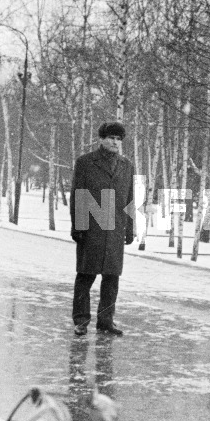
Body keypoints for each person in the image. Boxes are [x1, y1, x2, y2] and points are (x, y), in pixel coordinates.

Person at [70, 122, 137, 337]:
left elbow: (130, 199)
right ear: (101, 139)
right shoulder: (86, 162)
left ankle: (106, 321)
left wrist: (130, 228)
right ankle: (81, 320)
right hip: (92, 226)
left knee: (111, 278)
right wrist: (78, 226)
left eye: (118, 138)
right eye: (110, 137)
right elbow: (78, 193)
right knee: (86, 276)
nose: (114, 142)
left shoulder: (127, 166)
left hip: (115, 228)